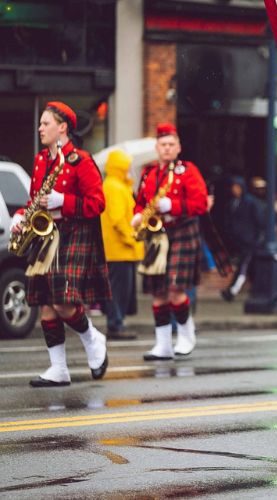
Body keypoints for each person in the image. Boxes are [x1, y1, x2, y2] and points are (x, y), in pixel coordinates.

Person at [10, 102, 110, 386]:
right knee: (45, 304)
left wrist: (63, 201)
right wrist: (21, 216)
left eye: (46, 123)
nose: (40, 128)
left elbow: (98, 203)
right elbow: (34, 200)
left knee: (63, 302)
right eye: (41, 124)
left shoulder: (81, 160)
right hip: (45, 234)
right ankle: (58, 368)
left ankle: (93, 338)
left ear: (62, 127)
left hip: (72, 233)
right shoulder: (42, 160)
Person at [133, 123, 208, 361]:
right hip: (157, 234)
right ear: (156, 147)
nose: (166, 148)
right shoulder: (149, 173)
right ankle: (162, 345)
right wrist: (137, 214)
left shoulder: (188, 171)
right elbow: (141, 201)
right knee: (158, 292)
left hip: (182, 230)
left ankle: (187, 335)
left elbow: (201, 203)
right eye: (163, 144)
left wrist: (173, 206)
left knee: (176, 288)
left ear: (178, 147)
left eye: (171, 144)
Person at [101, 149, 144, 340]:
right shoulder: (113, 187)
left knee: (121, 291)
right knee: (118, 291)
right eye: (126, 166)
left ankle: (117, 322)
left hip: (121, 250)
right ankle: (115, 324)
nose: (129, 170)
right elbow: (118, 219)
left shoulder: (118, 185)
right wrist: (132, 237)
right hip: (118, 249)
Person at [220, 176, 267, 301]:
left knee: (244, 266)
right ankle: (256, 290)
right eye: (233, 187)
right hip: (239, 241)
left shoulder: (251, 202)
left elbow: (259, 222)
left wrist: (257, 238)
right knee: (249, 268)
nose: (234, 190)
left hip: (250, 241)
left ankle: (232, 290)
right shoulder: (232, 203)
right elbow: (229, 221)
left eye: (236, 187)